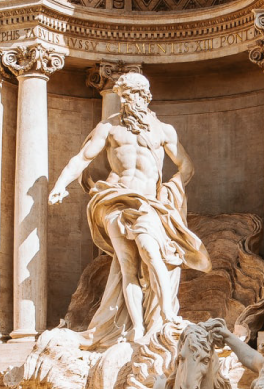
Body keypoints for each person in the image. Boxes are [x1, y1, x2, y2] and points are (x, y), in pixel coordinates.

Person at [48, 72, 211, 348]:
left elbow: (186, 166)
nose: (126, 101)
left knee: (151, 252)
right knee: (128, 267)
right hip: (115, 200)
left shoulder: (163, 131)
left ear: (145, 96)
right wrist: (60, 184)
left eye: (131, 95)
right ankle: (137, 328)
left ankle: (168, 315)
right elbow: (82, 158)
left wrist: (171, 189)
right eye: (123, 96)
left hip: (147, 203)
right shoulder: (109, 128)